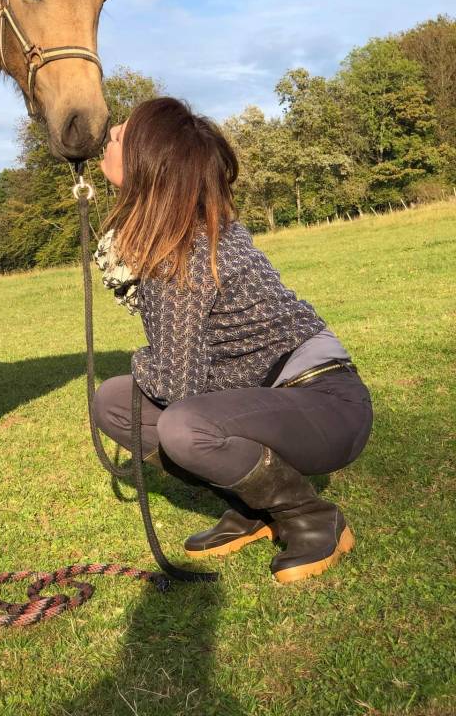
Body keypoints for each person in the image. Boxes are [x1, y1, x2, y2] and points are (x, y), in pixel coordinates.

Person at [92, 97, 373, 584]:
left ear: (148, 162)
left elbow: (178, 386)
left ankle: (308, 516)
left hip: (325, 402)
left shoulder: (180, 254)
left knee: (183, 426)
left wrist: (142, 361)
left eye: (123, 133)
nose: (110, 133)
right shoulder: (182, 230)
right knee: (115, 402)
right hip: (266, 398)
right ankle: (252, 507)